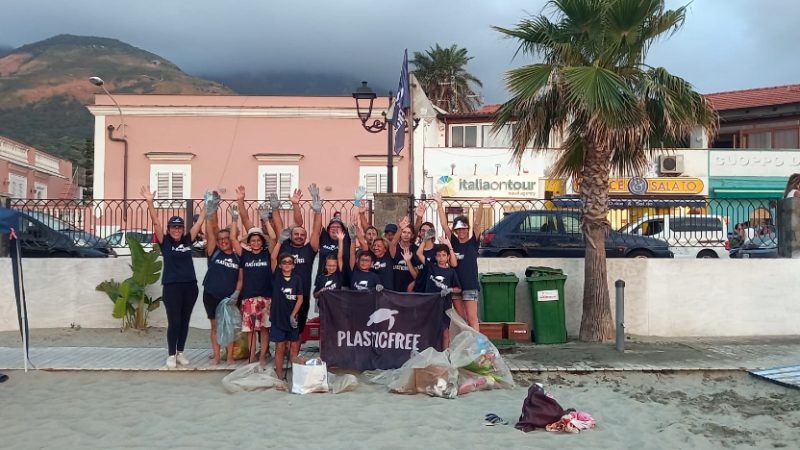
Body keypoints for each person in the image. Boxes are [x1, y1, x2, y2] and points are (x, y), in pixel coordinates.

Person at [141, 186, 205, 368]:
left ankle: (180, 352)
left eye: (179, 227)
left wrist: (207, 207)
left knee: (185, 321)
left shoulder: (186, 240)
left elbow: (199, 224)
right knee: (174, 321)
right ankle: (170, 354)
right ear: (169, 229)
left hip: (190, 286)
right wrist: (150, 202)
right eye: (173, 227)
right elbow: (156, 222)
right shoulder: (165, 242)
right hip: (172, 287)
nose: (176, 230)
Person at [434, 192, 494, 331]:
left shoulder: (473, 242)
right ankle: (467, 346)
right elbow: (444, 225)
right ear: (455, 230)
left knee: (473, 319)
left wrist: (481, 204)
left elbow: (478, 224)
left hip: (470, 286)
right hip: (455, 286)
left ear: (468, 229)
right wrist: (439, 203)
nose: (461, 231)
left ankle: (477, 348)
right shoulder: (453, 242)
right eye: (458, 228)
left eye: (464, 228)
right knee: (462, 321)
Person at [272, 185, 321, 333]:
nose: (299, 236)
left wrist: (318, 211)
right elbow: (279, 226)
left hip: (302, 294)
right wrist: (275, 209)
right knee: (282, 325)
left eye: (302, 235)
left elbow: (316, 230)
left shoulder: (309, 249)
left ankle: (295, 353)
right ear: (291, 236)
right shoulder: (285, 245)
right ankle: (284, 351)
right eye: (296, 234)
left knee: (298, 327)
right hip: (282, 293)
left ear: (305, 238)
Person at [202, 199, 243, 365]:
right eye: (221, 239)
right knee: (215, 326)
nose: (224, 240)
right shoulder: (214, 252)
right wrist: (210, 212)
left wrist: (236, 293)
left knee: (230, 327)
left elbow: (241, 278)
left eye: (227, 238)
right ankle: (217, 356)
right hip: (211, 294)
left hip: (229, 298)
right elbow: (210, 232)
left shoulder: (238, 256)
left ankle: (230, 357)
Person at [417, 242, 461, 348]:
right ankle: (428, 352)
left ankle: (445, 353)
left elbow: (458, 289)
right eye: (438, 255)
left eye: (444, 255)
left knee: (445, 330)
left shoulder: (451, 272)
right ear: (435, 257)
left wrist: (450, 289)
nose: (441, 258)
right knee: (429, 329)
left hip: (444, 305)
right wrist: (426, 239)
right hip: (430, 304)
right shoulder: (430, 267)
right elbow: (419, 254)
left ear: (448, 256)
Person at [269, 251, 304, 382]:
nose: (287, 264)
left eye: (290, 262)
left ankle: (296, 377)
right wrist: (279, 242)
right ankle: (279, 377)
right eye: (284, 262)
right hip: (278, 318)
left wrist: (293, 314)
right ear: (280, 265)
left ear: (294, 265)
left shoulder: (297, 279)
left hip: (292, 319)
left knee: (294, 347)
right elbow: (273, 257)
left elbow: (300, 299)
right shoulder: (276, 277)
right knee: (280, 347)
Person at [389, 216, 420, 292]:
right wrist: (400, 228)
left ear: (412, 235)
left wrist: (408, 261)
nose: (406, 235)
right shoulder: (395, 248)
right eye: (404, 232)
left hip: (410, 291)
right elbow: (392, 244)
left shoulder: (416, 249)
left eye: (409, 233)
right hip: (394, 290)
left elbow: (417, 276)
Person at [314, 230, 345, 305]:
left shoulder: (339, 274)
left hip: (336, 307)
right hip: (324, 308)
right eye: (329, 265)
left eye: (334, 265)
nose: (332, 267)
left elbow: (340, 256)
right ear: (325, 266)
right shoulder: (321, 278)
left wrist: (340, 240)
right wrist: (320, 291)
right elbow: (315, 295)